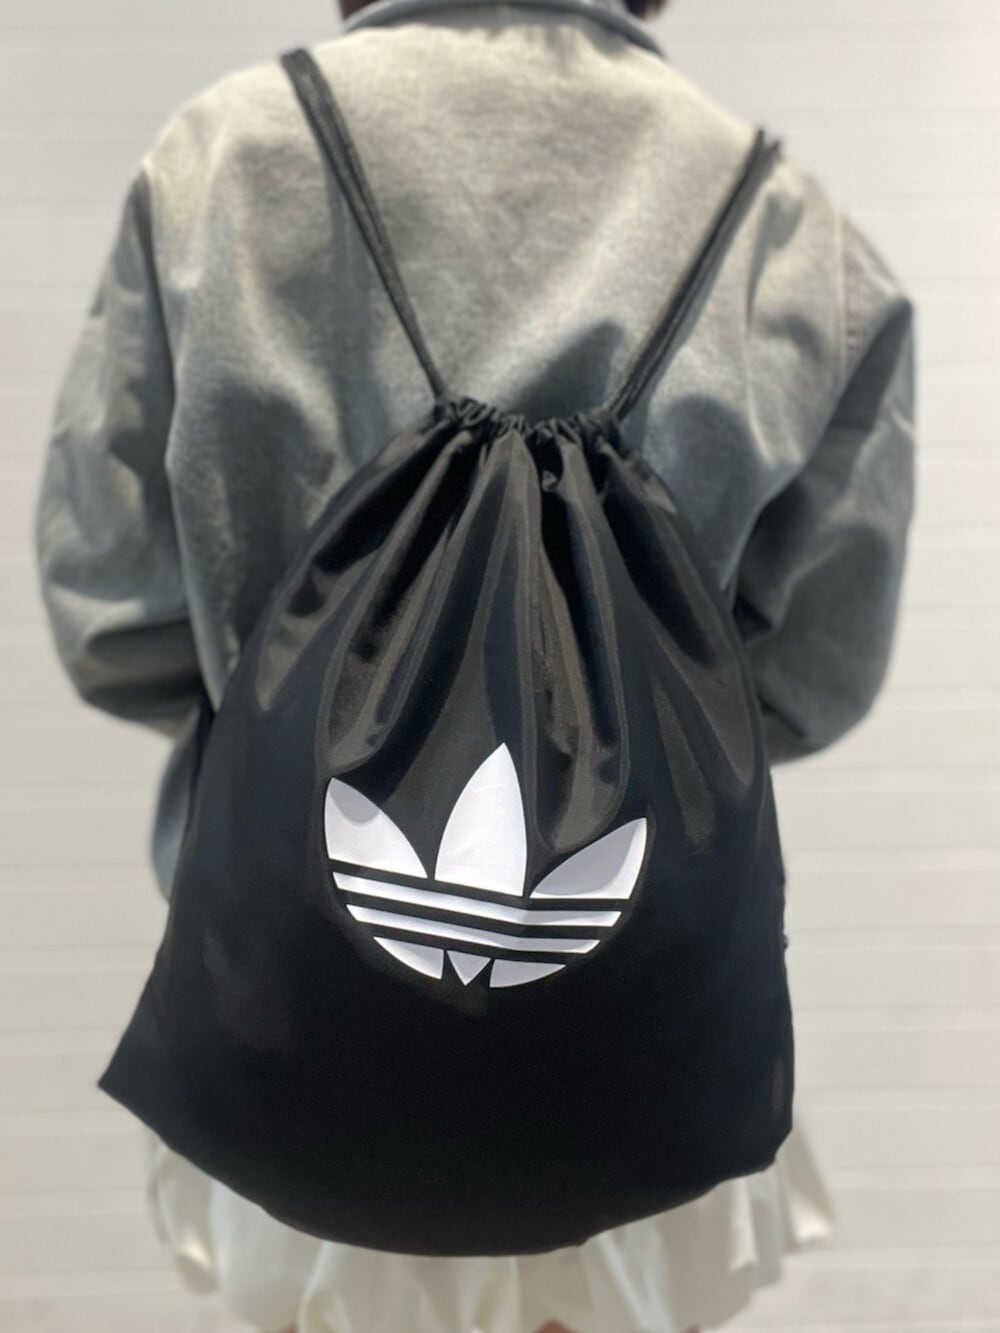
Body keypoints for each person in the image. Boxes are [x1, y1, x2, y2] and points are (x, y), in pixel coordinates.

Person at [32, 0, 916, 1328]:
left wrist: (290, 717)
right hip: (638, 1068)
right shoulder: (794, 234)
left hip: (297, 1041)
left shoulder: (223, 162)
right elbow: (815, 678)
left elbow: (112, 613)